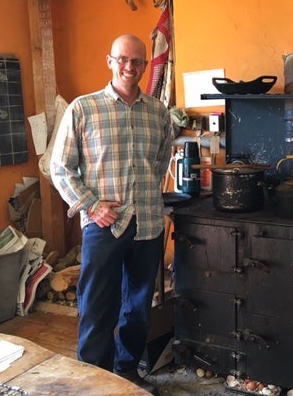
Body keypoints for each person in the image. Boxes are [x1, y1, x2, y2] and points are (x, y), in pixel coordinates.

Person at [50, 34, 173, 390]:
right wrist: (91, 205)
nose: (129, 67)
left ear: (145, 65)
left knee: (137, 306)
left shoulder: (158, 113)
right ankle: (94, 379)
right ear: (110, 61)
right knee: (97, 308)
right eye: (122, 59)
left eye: (137, 61)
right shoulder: (83, 109)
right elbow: (61, 168)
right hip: (104, 226)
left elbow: (159, 162)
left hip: (148, 223)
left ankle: (127, 370)